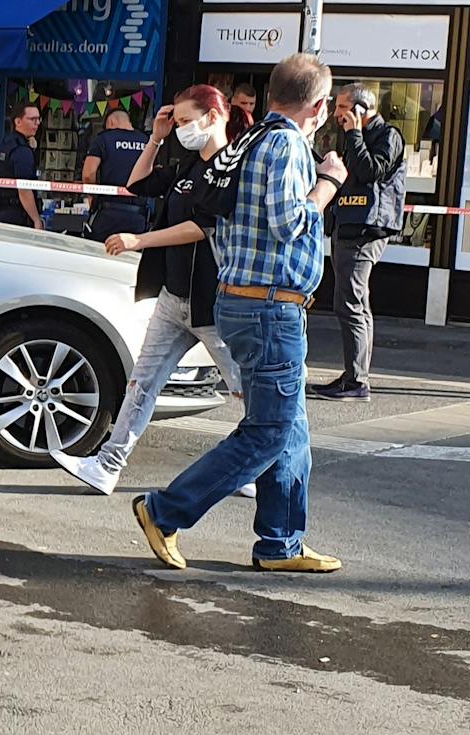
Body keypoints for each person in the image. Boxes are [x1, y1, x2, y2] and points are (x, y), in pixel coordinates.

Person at [133, 53, 349, 574]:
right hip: (268, 306)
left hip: (244, 300)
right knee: (269, 431)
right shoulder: (288, 145)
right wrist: (328, 184)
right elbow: (286, 220)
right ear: (317, 106)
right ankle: (165, 511)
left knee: (290, 426)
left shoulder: (246, 142)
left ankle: (281, 543)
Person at [51, 86, 253, 497]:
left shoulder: (233, 168)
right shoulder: (185, 163)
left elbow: (203, 226)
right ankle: (107, 465)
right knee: (141, 382)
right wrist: (157, 137)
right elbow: (136, 183)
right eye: (175, 121)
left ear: (214, 117)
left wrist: (139, 240)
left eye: (183, 121)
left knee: (245, 386)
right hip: (174, 296)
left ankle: (258, 468)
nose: (179, 129)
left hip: (211, 301)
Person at [311, 84, 407, 402]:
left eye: (341, 108)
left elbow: (370, 172)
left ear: (360, 109)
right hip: (348, 226)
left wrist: (354, 136)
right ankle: (354, 376)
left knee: (349, 303)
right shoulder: (355, 137)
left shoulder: (388, 136)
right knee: (354, 303)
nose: (337, 114)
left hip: (367, 230)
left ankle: (356, 381)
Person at [83, 109, 149, 241]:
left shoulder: (103, 139)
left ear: (111, 122)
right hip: (138, 215)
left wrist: (91, 197)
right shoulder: (146, 141)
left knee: (100, 256)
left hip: (108, 213)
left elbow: (88, 174)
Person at [0, 103, 44, 229]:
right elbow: (24, 189)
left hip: (1, 209)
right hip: (18, 214)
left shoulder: (6, 143)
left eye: (38, 119)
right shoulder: (21, 151)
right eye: (32, 119)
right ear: (18, 121)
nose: (37, 123)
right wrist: (36, 220)